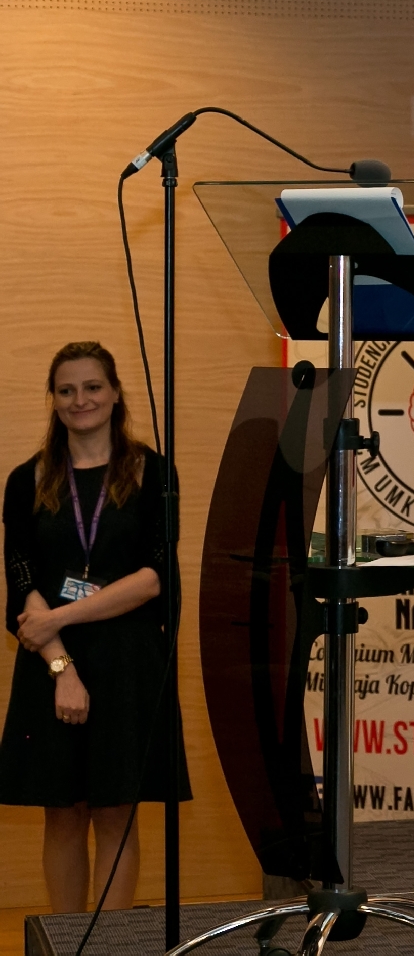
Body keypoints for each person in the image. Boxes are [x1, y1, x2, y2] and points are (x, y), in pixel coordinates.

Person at [2, 341, 189, 912]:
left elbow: (154, 579)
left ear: (114, 393)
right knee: (62, 814)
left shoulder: (153, 471)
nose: (80, 400)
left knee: (115, 813)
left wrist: (59, 617)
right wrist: (62, 668)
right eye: (66, 390)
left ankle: (111, 944)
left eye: (92, 387)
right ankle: (66, 944)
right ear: (53, 399)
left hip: (127, 662)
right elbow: (22, 581)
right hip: (49, 662)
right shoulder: (26, 479)